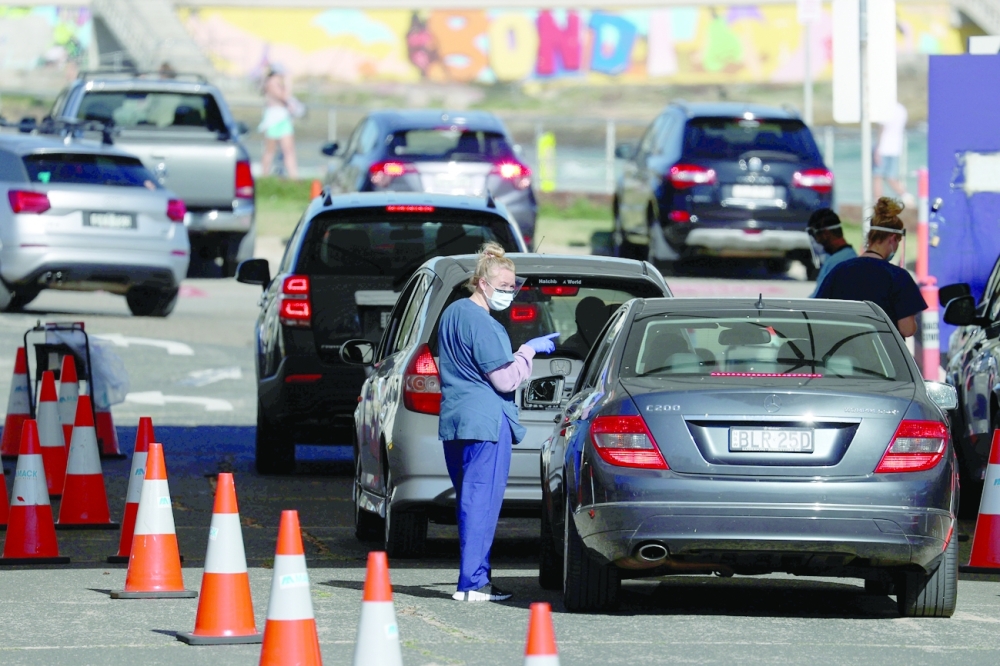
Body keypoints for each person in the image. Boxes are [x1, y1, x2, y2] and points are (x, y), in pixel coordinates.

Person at [437, 242, 559, 602]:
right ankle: (473, 584)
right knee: (482, 502)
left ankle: (476, 577)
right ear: (481, 282)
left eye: (512, 287)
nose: (509, 293)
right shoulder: (487, 326)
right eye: (503, 287)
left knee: (468, 500)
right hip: (487, 424)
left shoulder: (452, 313)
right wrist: (528, 352)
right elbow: (504, 380)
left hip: (456, 420)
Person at [815, 197, 926, 337]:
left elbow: (820, 314)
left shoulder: (839, 271)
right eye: (898, 242)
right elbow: (907, 329)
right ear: (892, 239)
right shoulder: (898, 276)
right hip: (882, 355)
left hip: (843, 350)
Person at [258, 67, 299, 179]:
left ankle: (293, 178)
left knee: (289, 150)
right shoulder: (271, 83)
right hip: (274, 120)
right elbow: (284, 96)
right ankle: (264, 177)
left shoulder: (278, 83)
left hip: (283, 119)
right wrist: (288, 83)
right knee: (270, 151)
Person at [807, 208, 856, 297]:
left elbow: (818, 299)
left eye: (814, 234)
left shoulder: (836, 263)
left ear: (825, 233)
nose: (816, 241)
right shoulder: (849, 256)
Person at [874, 101, 912, 204]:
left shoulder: (885, 108)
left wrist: (877, 148)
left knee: (878, 176)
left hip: (884, 147)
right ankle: (906, 197)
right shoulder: (901, 109)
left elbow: (882, 128)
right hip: (896, 147)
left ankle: (879, 202)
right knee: (891, 177)